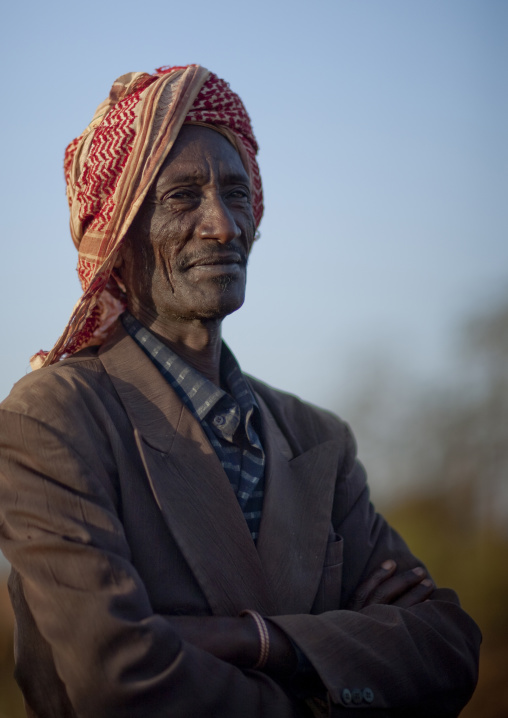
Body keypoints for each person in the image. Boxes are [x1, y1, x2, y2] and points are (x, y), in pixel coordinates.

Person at [0, 65, 480, 718]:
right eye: (182, 198)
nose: (222, 226)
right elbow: (118, 683)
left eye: (236, 192)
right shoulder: (53, 419)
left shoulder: (316, 439)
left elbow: (447, 647)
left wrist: (256, 639)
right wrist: (334, 660)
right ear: (117, 229)